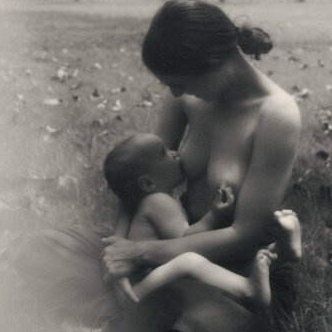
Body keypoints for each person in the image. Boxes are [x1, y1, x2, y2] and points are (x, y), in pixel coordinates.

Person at [102, 0, 302, 331]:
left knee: (196, 318)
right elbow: (141, 176)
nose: (175, 92)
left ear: (216, 61)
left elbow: (244, 235)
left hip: (234, 272)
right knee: (49, 250)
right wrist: (117, 251)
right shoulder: (185, 95)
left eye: (179, 82)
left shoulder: (275, 114)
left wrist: (139, 253)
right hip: (170, 241)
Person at [102, 132, 278, 311]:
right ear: (147, 184)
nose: (174, 153)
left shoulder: (153, 202)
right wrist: (214, 217)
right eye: (164, 153)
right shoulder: (158, 202)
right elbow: (185, 239)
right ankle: (248, 289)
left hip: (141, 286)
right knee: (189, 261)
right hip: (137, 292)